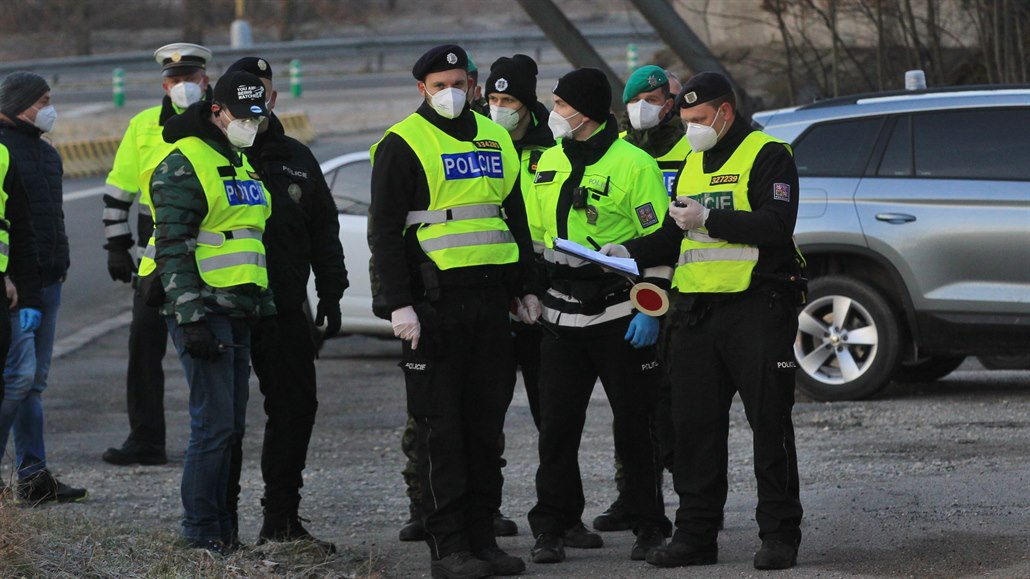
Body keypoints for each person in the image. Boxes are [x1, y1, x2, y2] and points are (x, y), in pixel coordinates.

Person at [610, 71, 804, 570]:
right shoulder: (694, 161)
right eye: (687, 118)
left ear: (724, 112)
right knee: (693, 430)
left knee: (769, 425)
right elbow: (678, 236)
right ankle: (696, 535)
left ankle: (779, 535)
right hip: (697, 313)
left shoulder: (768, 154)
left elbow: (777, 226)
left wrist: (710, 220)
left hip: (757, 307)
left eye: (699, 118)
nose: (692, 127)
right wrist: (627, 251)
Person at [369, 44, 535, 578]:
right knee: (443, 432)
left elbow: (514, 217)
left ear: (474, 84)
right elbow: (384, 234)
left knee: (486, 429)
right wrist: (399, 304)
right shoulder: (402, 142)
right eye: (439, 84)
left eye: (458, 82)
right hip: (433, 307)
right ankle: (449, 547)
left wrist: (527, 286)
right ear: (422, 89)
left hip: (490, 303)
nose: (450, 92)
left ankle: (483, 538)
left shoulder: (495, 137)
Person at [524, 67, 672, 566]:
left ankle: (650, 525)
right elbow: (531, 234)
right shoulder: (545, 162)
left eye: (561, 106)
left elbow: (663, 238)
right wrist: (529, 292)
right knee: (557, 428)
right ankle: (552, 526)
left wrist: (651, 304)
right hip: (560, 317)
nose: (553, 113)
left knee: (637, 426)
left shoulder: (634, 164)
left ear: (584, 112)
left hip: (619, 313)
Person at [146, 70, 275, 554]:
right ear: (216, 111)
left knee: (232, 429)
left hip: (238, 308)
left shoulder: (238, 161)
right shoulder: (185, 163)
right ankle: (201, 534)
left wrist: (263, 306)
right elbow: (172, 246)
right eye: (241, 117)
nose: (250, 125)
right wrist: (190, 316)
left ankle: (224, 532)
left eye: (256, 117)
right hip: (204, 310)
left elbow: (248, 241)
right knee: (213, 426)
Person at [222, 56, 348, 554]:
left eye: (266, 90)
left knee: (296, 408)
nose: (261, 100)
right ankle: (220, 523)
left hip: (285, 307)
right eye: (250, 92)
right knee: (226, 419)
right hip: (228, 307)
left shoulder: (296, 155)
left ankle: (281, 519)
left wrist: (333, 290)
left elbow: (324, 228)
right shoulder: (214, 152)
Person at [102, 42, 213, 467]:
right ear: (165, 84)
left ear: (206, 81)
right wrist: (115, 245)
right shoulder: (144, 125)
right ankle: (146, 439)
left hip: (213, 250)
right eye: (176, 80)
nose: (184, 87)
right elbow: (119, 189)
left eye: (192, 79)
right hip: (156, 254)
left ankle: (216, 435)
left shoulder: (224, 122)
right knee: (144, 345)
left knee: (212, 345)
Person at [593, 64, 688, 534]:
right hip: (636, 288)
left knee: (682, 406)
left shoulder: (691, 146)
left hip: (689, 288)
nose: (643, 108)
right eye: (635, 100)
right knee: (632, 406)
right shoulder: (623, 149)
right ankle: (633, 495)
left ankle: (692, 500)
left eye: (652, 99)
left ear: (670, 102)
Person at [0, 72, 86, 504]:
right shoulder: (3, 152)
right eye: (45, 100)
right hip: (16, 288)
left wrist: (62, 261)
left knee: (33, 383)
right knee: (17, 379)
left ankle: (33, 477)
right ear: (22, 102)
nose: (51, 109)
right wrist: (12, 280)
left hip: (49, 281)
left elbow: (51, 219)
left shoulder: (48, 155)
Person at [484, 53, 553, 430]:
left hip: (545, 287)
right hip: (494, 285)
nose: (498, 109)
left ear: (527, 104)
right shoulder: (479, 142)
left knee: (551, 408)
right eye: (493, 100)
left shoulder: (553, 146)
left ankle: (556, 486)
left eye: (508, 101)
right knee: (487, 408)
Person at [0, 139, 44, 493]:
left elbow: (19, 227)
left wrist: (24, 290)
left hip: (6, 293)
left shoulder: (2, 155)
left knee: (17, 380)